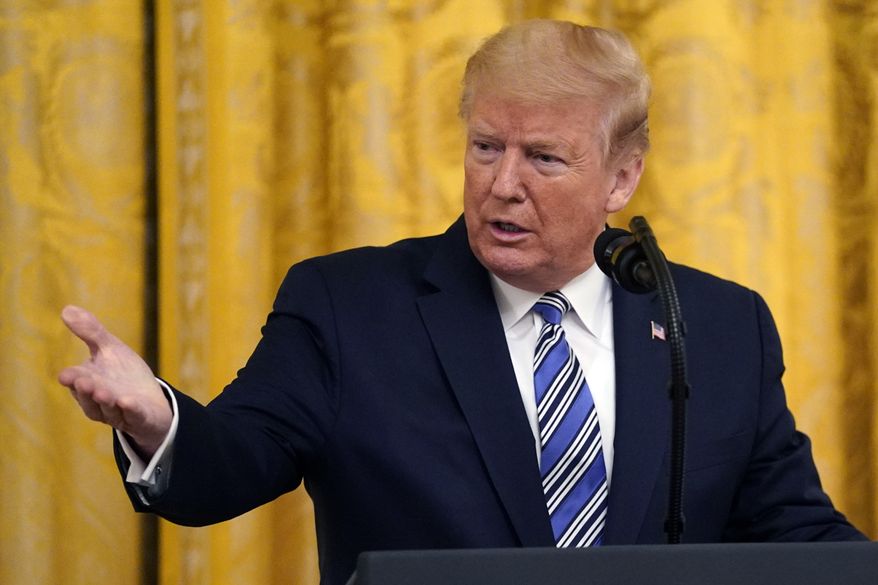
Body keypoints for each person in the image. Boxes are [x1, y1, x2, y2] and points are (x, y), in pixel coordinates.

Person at [58, 19, 866, 585]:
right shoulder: (349, 305)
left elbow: (798, 535)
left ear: (621, 177)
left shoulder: (718, 327)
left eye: (544, 158)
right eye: (486, 146)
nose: (502, 184)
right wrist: (157, 420)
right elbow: (230, 463)